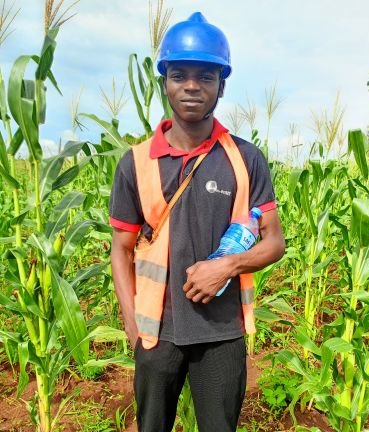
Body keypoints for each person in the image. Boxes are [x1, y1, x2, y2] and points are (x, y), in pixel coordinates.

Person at [109, 11, 285, 432]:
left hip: (222, 333)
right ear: (165, 81)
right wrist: (134, 327)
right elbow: (121, 248)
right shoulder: (135, 163)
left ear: (221, 85)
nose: (192, 85)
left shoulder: (246, 159)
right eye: (180, 74)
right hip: (157, 332)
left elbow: (274, 241)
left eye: (206, 76)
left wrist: (227, 265)